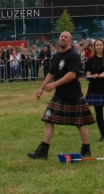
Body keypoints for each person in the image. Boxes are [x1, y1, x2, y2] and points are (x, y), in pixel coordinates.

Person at [27, 32, 94, 160]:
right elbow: (51, 73)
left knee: (80, 123)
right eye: (61, 37)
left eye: (66, 37)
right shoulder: (56, 56)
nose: (63, 38)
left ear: (70, 41)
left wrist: (54, 85)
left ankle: (86, 150)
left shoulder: (73, 56)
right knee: (48, 120)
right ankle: (43, 152)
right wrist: (41, 88)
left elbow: (72, 75)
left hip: (73, 95)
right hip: (59, 96)